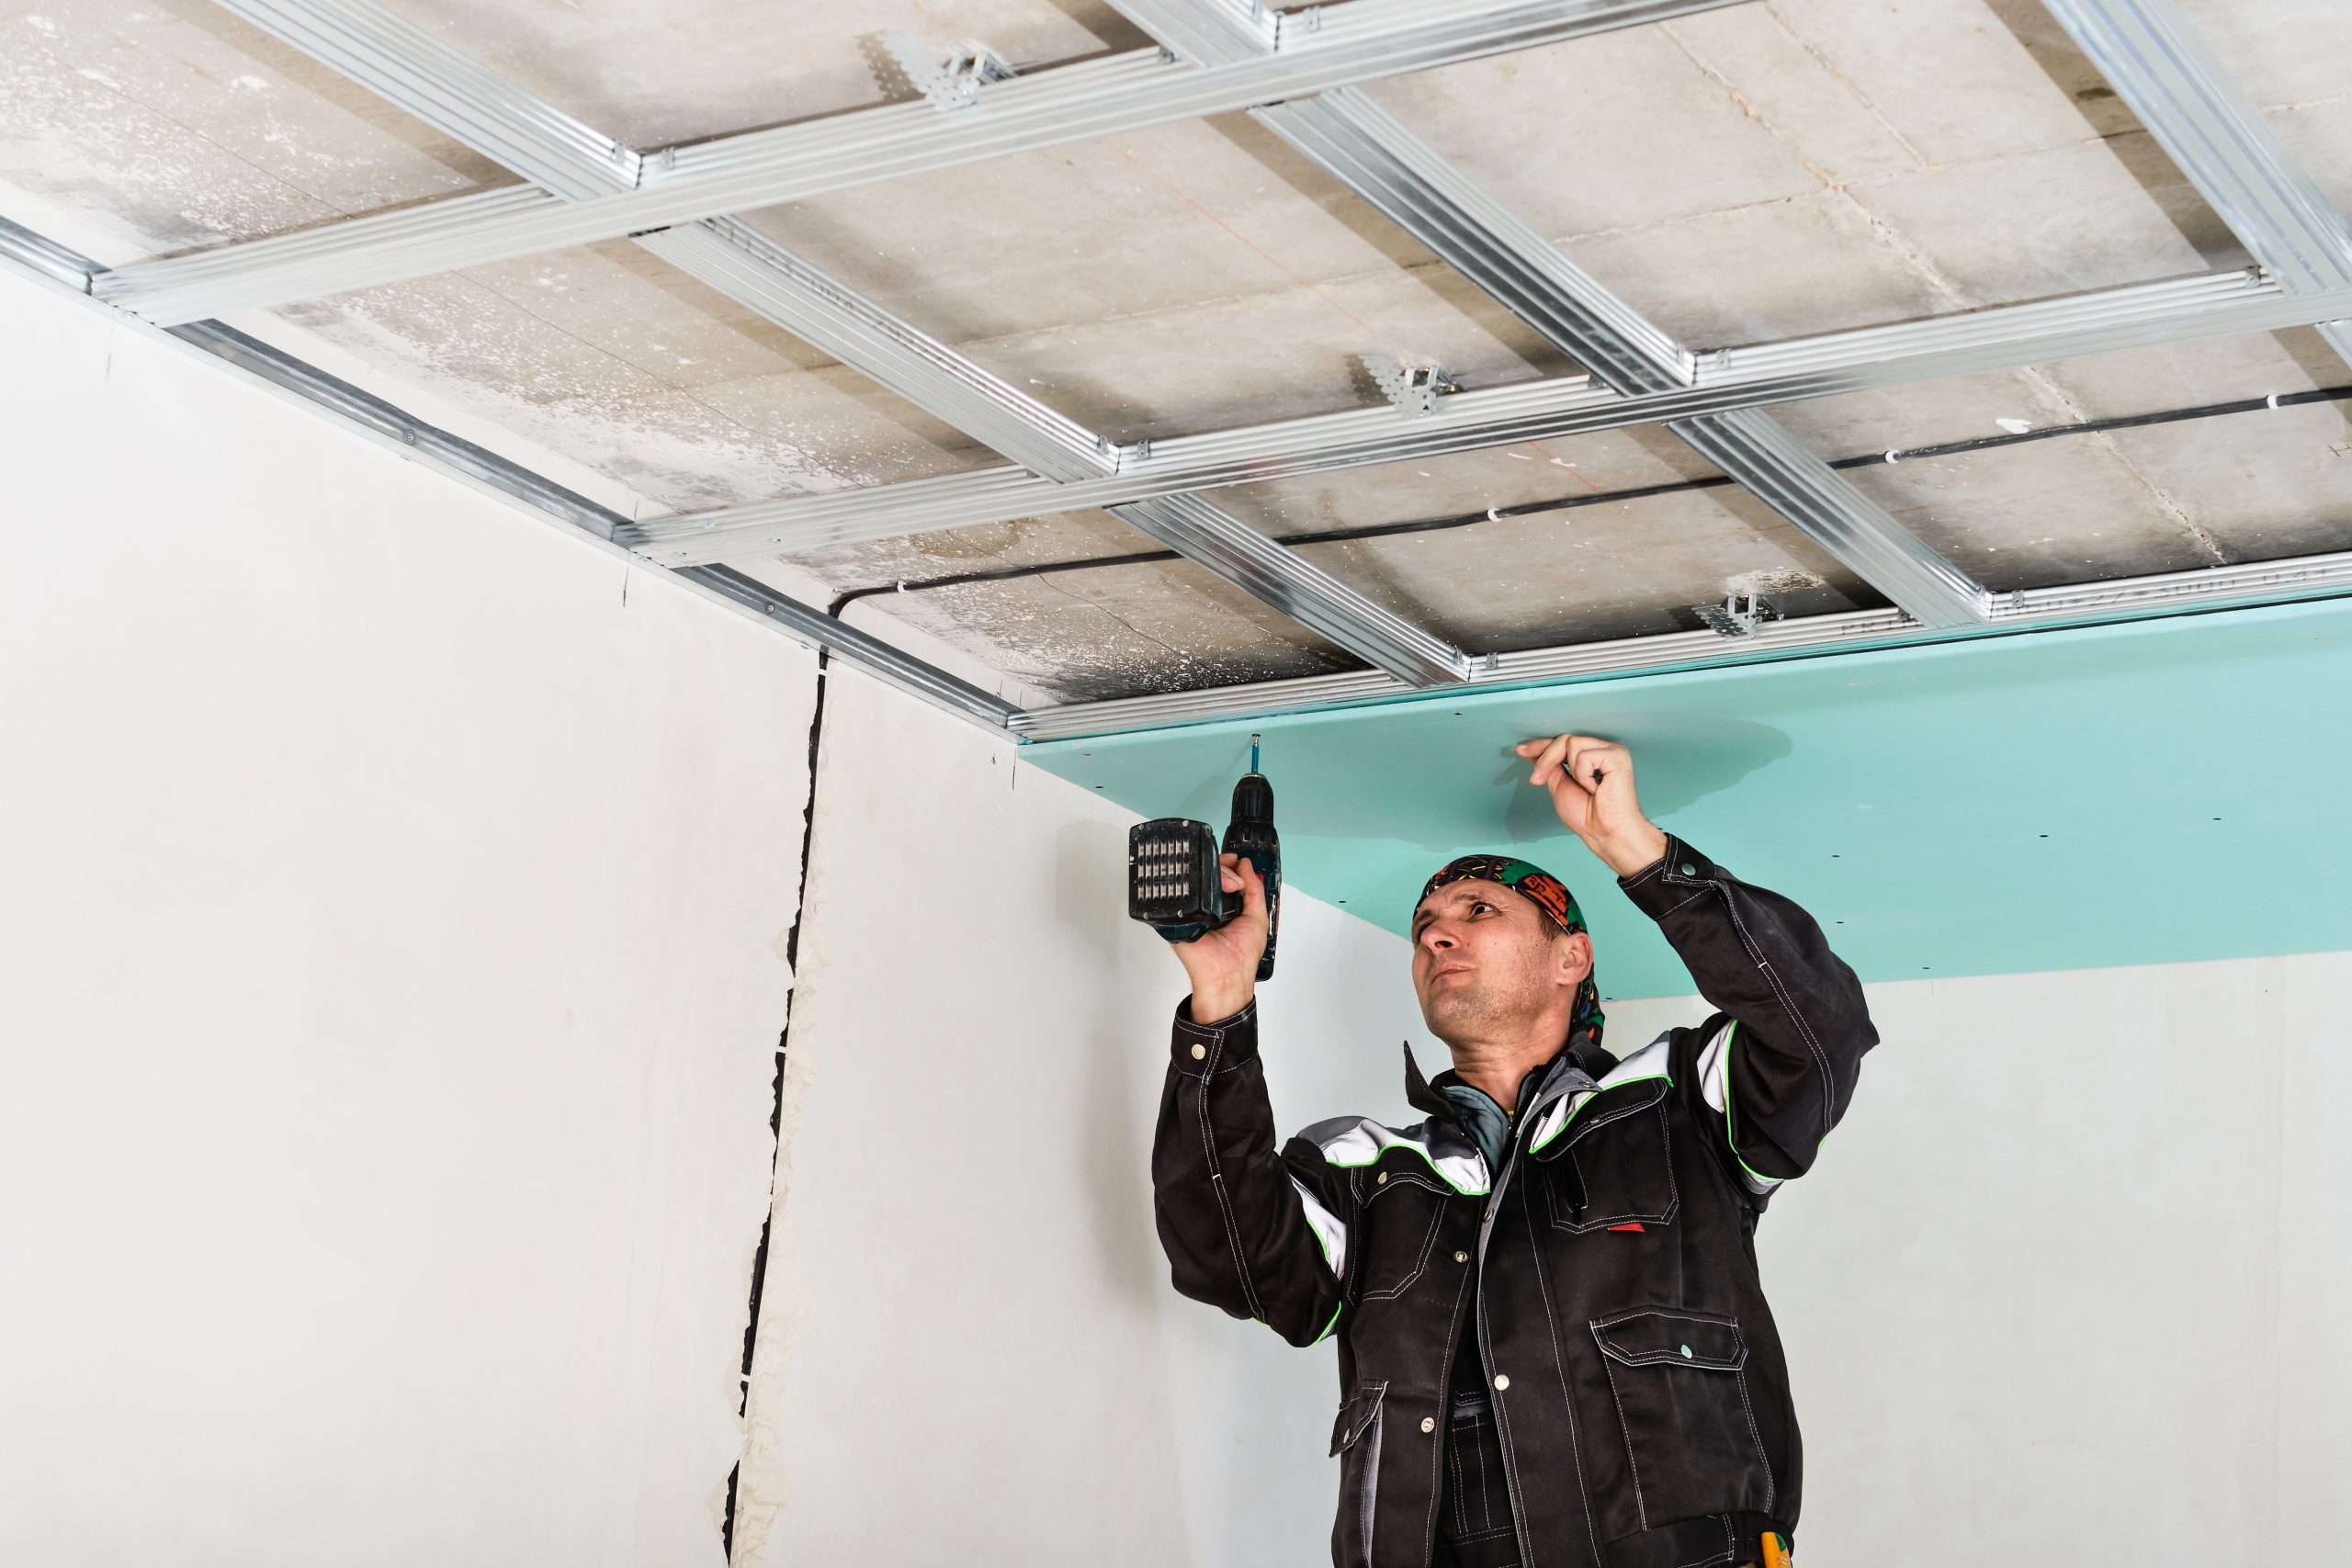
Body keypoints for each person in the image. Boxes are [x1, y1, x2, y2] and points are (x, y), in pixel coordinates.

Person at [1150, 731, 1878, 1568]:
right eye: (1424, 926)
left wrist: (1634, 847)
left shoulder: (1679, 1105)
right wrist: (1220, 1005)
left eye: (1478, 912)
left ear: (1572, 955)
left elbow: (1821, 1032)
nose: (1436, 937)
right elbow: (1226, 1259)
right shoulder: (1365, 1171)